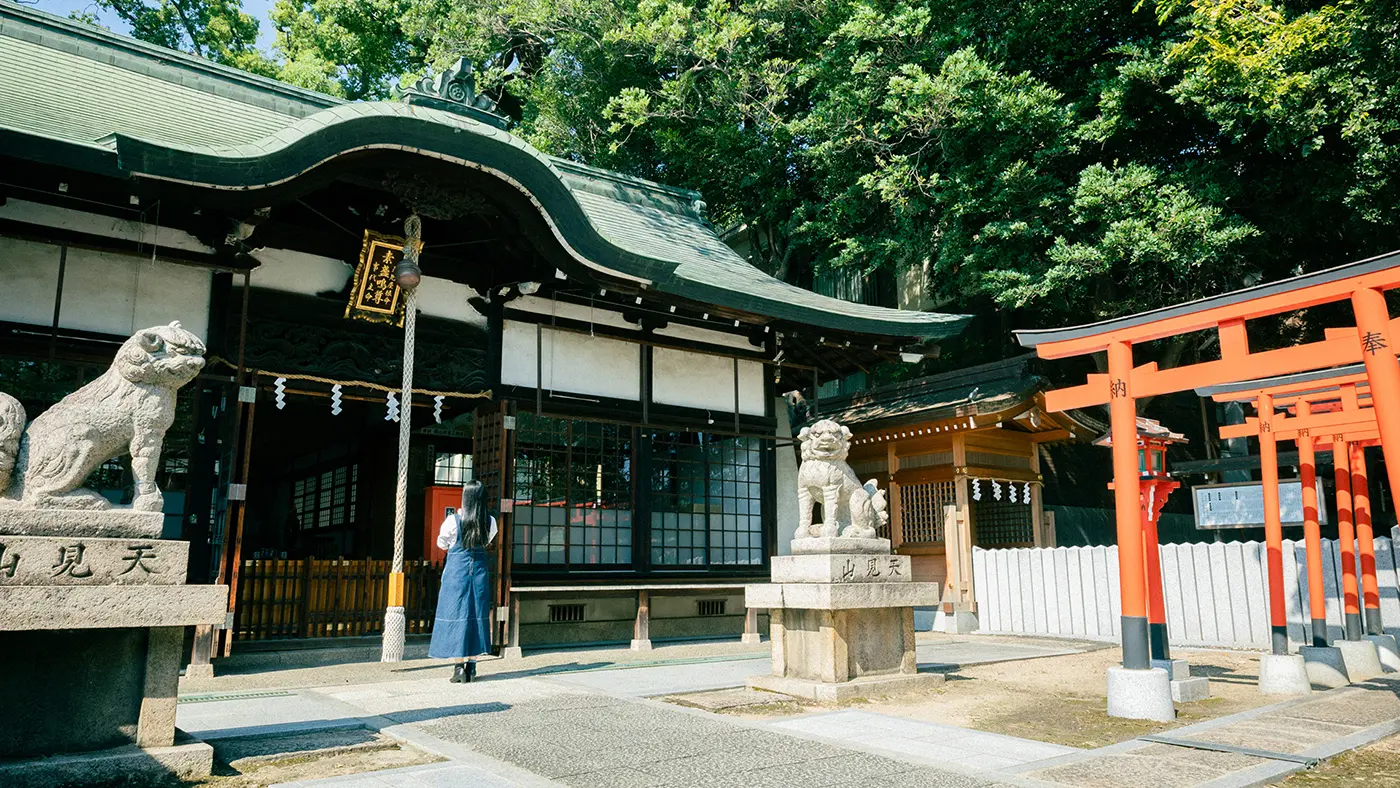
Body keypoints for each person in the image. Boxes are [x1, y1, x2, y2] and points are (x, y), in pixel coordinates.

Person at [427, 479, 496, 682]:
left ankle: (458, 669)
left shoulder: (452, 520)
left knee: (456, 614)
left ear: (465, 497)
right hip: (480, 572)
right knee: (477, 614)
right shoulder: (490, 521)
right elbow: (488, 541)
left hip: (457, 573)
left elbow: (442, 543)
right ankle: (472, 667)